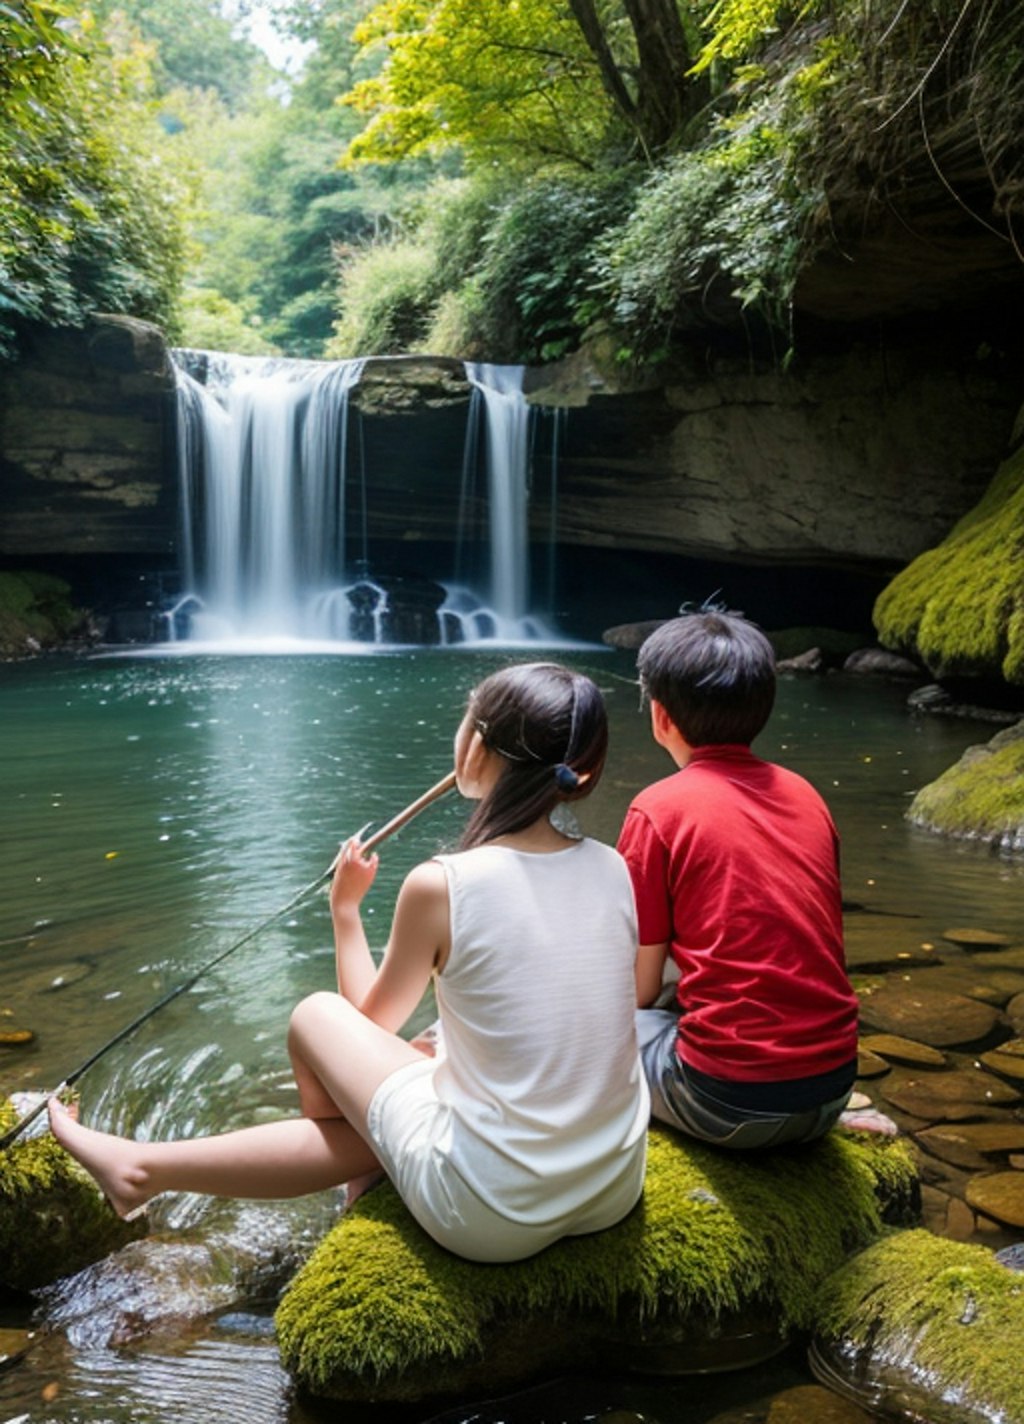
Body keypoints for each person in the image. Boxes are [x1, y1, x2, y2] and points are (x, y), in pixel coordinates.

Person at [49, 662, 650, 1264]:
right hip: (611, 1186)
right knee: (430, 1044)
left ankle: (154, 1168)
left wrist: (346, 911)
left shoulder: (442, 884)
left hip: (493, 1215)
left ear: (476, 744)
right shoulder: (612, 865)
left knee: (316, 1015)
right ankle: (151, 1168)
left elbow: (368, 1023)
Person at [616, 609, 887, 1151]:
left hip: (721, 1102)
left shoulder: (658, 810)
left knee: (593, 1026)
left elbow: (641, 989)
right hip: (831, 1087)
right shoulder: (806, 795)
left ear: (660, 716)